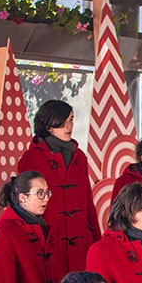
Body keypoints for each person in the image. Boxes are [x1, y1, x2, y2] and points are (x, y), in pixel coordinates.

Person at [18, 100, 101, 273]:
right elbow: (25, 208)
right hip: (50, 243)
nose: (69, 126)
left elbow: (87, 200)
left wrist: (96, 240)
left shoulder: (79, 157)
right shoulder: (30, 159)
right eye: (62, 122)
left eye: (71, 120)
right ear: (49, 125)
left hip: (80, 242)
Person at [0, 171, 66, 283]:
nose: (46, 198)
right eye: (40, 193)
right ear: (22, 197)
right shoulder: (4, 231)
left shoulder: (44, 226)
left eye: (47, 193)